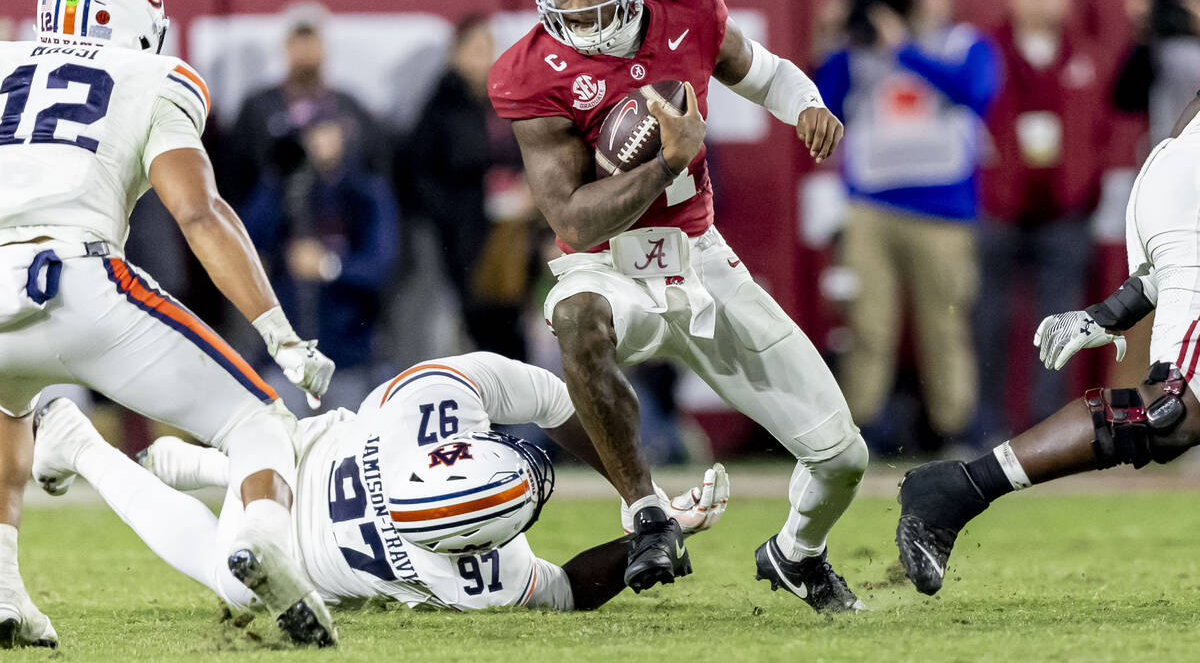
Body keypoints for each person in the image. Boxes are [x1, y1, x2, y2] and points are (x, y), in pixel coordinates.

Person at [488, 0, 867, 611]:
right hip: (605, 265)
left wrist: (807, 104)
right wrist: (665, 164)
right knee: (575, 318)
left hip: (698, 257)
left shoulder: (685, 4)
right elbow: (570, 213)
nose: (575, 2)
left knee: (843, 457)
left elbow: (763, 71)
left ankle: (797, 553)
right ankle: (648, 515)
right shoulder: (529, 72)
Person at [0, 0, 337, 647]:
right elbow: (197, 211)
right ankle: (263, 538)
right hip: (76, 279)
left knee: (8, 414)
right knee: (257, 425)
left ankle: (4, 592)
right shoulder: (155, 75)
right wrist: (279, 332)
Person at [32, 352, 729, 613]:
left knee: (273, 441)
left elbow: (548, 398)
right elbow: (574, 588)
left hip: (295, 453)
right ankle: (84, 448)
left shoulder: (422, 404)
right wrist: (653, 516)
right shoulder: (469, 575)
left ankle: (210, 467)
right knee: (230, 576)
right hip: (303, 557)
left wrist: (652, 511)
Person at [894, 91, 1200, 597]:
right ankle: (956, 490)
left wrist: (1116, 307)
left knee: (1175, 418)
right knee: (1174, 409)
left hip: (1178, 176)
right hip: (1189, 189)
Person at [816, 0, 999, 449]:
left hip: (943, 209)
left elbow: (975, 93)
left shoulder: (965, 44)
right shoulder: (860, 51)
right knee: (868, 325)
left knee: (945, 323)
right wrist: (834, 39)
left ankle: (954, 427)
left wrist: (904, 50)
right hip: (871, 206)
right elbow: (820, 104)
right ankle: (855, 433)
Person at [978, 0, 1108, 432]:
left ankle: (1048, 424)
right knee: (989, 321)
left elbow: (1100, 129)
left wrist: (1085, 188)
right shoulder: (985, 51)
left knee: (1063, 325)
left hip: (1064, 210)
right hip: (999, 206)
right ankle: (986, 425)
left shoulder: (1085, 54)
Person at [242, 118, 400, 413]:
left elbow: (381, 266)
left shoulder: (365, 191)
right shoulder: (285, 189)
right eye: (310, 134)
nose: (319, 141)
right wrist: (279, 175)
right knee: (287, 448)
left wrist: (330, 266)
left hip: (349, 356)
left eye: (326, 129)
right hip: (288, 354)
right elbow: (246, 238)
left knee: (347, 450)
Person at [408, 14, 537, 360]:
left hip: (513, 234)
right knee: (478, 333)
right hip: (464, 240)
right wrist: (473, 205)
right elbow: (419, 179)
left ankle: (519, 404)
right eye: (479, 50)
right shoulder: (440, 110)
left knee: (514, 325)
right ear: (457, 54)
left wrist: (528, 192)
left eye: (491, 49)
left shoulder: (506, 101)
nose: (488, 58)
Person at [220, 7, 380, 209]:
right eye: (299, 41)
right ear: (286, 46)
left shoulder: (348, 105)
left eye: (311, 40)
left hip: (338, 207)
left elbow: (375, 160)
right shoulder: (259, 105)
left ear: (324, 46)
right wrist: (295, 149)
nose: (306, 50)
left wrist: (343, 149)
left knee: (376, 192)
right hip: (278, 211)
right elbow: (236, 167)